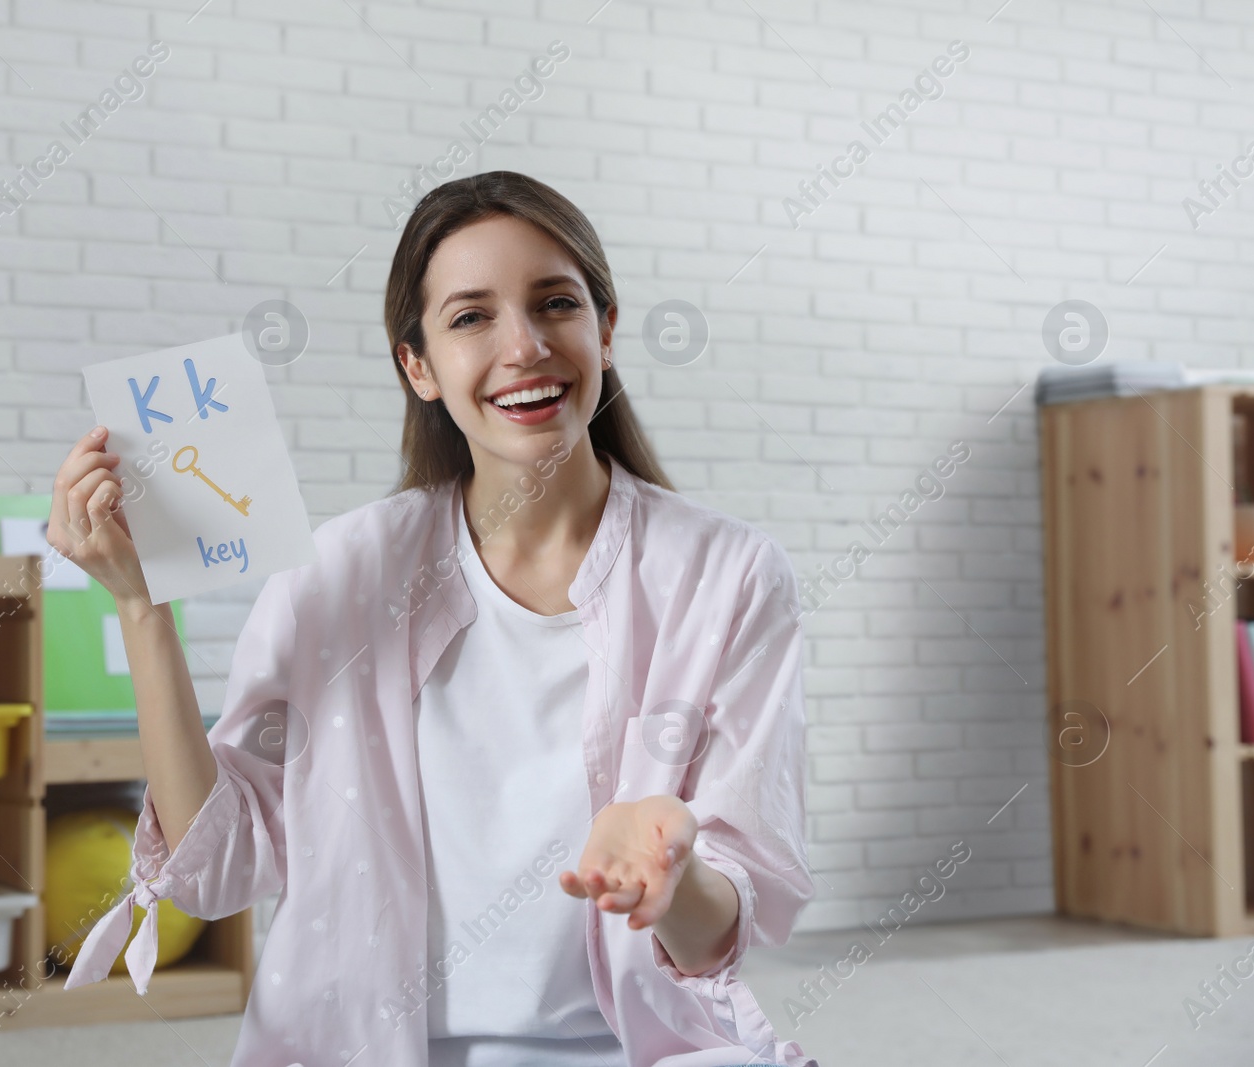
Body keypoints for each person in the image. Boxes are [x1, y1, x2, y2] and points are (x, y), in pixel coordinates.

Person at [51, 170, 816, 1067]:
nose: (524, 346)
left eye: (555, 303)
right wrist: (142, 606)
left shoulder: (729, 575)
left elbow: (714, 938)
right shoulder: (337, 573)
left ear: (605, 332)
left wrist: (669, 876)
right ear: (417, 364)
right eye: (470, 317)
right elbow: (217, 870)